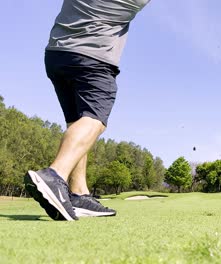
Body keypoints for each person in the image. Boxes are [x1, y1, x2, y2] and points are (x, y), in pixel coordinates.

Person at [24, 0, 151, 221]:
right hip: (92, 59)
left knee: (77, 122)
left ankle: (78, 194)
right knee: (94, 120)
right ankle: (55, 175)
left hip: (57, 54)